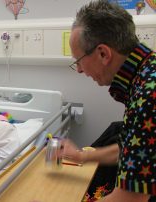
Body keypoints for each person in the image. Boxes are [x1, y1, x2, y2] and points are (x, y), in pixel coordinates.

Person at [61, 0, 156, 201]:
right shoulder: (147, 71)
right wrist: (82, 156)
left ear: (103, 53)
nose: (79, 70)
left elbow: (130, 199)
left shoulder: (148, 96)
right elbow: (133, 150)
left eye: (78, 61)